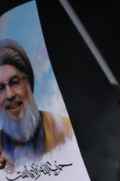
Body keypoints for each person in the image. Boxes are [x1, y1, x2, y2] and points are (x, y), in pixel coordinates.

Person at [0, 39, 74, 169]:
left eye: (15, 82)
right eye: (0, 88)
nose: (10, 95)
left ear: (28, 84)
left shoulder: (65, 132)